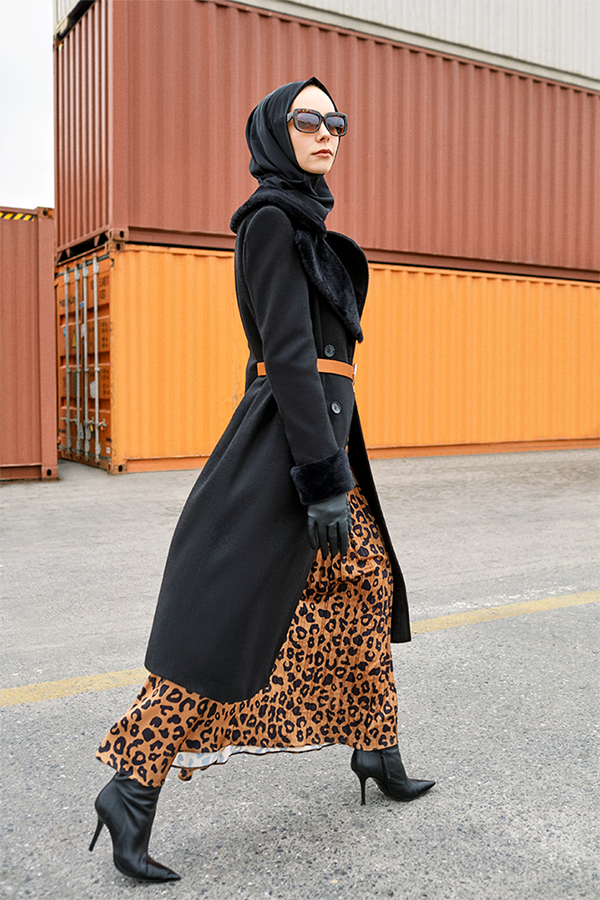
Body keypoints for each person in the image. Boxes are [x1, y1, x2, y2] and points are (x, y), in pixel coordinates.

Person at [89, 77, 434, 883]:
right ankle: (129, 790)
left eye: (335, 119)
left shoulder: (309, 223)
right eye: (306, 119)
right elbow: (285, 354)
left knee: (366, 586)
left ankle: (376, 749)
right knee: (223, 622)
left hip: (324, 443)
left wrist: (331, 462)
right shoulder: (272, 220)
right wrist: (319, 478)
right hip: (291, 448)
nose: (326, 131)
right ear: (275, 132)